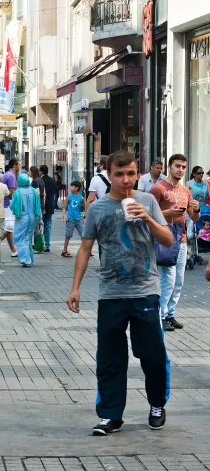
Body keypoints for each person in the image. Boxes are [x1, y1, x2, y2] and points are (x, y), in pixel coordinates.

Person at [66, 150, 172, 435]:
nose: (126, 179)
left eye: (131, 173)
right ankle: (110, 415)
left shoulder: (147, 199)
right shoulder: (98, 209)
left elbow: (167, 238)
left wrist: (148, 218)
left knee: (152, 353)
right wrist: (75, 288)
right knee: (110, 357)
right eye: (119, 174)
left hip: (145, 291)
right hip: (110, 293)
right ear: (108, 175)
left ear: (137, 173)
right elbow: (86, 249)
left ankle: (157, 404)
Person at [148, 154, 199, 331]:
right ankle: (160, 316)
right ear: (169, 167)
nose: (181, 170)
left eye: (184, 167)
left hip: (182, 239)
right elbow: (148, 216)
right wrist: (168, 213)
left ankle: (170, 314)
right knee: (167, 280)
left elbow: (193, 217)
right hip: (165, 240)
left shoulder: (185, 190)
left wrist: (196, 210)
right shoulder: (158, 188)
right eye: (177, 166)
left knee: (179, 281)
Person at [11, 173, 42, 268]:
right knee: (28, 238)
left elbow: (13, 206)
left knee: (21, 238)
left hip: (22, 218)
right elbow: (38, 206)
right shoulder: (34, 191)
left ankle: (25, 259)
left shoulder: (17, 192)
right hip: (33, 218)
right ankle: (30, 258)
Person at [62, 181, 86, 258]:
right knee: (68, 235)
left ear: (76, 188)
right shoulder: (68, 197)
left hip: (78, 219)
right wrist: (64, 216)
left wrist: (85, 215)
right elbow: (64, 208)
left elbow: (86, 207)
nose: (70, 188)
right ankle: (64, 250)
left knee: (83, 234)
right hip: (70, 219)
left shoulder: (81, 198)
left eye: (72, 186)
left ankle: (87, 250)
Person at [40, 165, 58, 252]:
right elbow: (55, 191)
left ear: (41, 171)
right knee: (47, 225)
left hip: (42, 206)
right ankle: (47, 245)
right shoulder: (52, 180)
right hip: (50, 205)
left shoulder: (40, 181)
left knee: (40, 225)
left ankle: (40, 244)